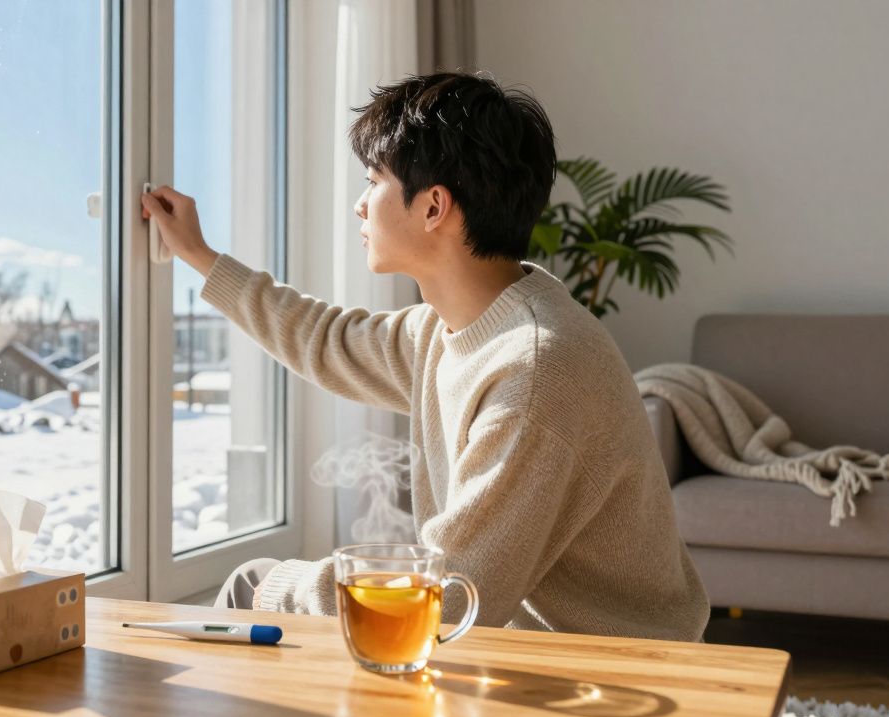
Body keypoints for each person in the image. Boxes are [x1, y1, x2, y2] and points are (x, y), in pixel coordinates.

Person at [141, 71, 709, 641]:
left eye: (373, 182)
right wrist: (201, 257)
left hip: (610, 679)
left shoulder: (535, 369)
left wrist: (280, 588)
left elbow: (451, 596)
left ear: (434, 205)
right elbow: (326, 340)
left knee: (254, 585)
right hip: (518, 645)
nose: (361, 206)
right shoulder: (452, 327)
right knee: (260, 585)